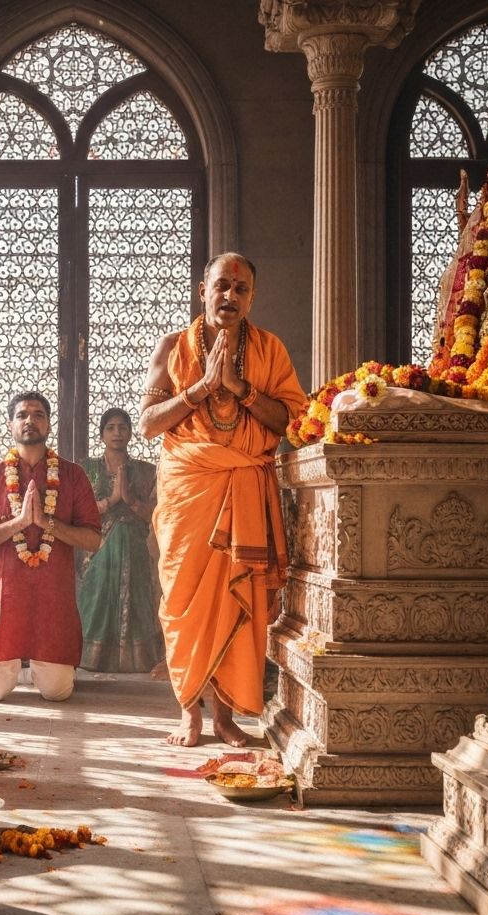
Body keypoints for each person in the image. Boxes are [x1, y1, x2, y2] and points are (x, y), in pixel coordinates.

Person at [139, 253, 307, 747]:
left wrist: (239, 388)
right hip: (189, 490)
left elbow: (291, 422)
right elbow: (148, 423)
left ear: (251, 297)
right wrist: (201, 389)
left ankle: (226, 719)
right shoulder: (172, 347)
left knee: (243, 602)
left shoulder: (269, 349)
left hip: (246, 487)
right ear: (202, 290)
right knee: (184, 603)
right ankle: (189, 714)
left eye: (240, 289)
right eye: (221, 286)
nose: (230, 296)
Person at [0, 391, 100, 702]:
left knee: (57, 692)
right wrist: (19, 523)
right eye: (22, 415)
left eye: (38, 415)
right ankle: (18, 670)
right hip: (4, 597)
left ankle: (36, 670)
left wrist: (48, 524)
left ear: (48, 424)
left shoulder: (73, 475)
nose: (30, 421)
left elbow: (93, 539)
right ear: (10, 425)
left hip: (52, 599)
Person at [76, 408, 165, 673]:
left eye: (123, 427)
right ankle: (92, 659)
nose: (117, 433)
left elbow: (155, 513)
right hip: (98, 547)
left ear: (130, 432)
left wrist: (130, 501)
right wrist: (112, 501)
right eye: (111, 428)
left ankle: (136, 661)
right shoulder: (86, 469)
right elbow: (79, 511)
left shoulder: (146, 471)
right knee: (96, 598)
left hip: (136, 547)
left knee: (138, 598)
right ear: (102, 434)